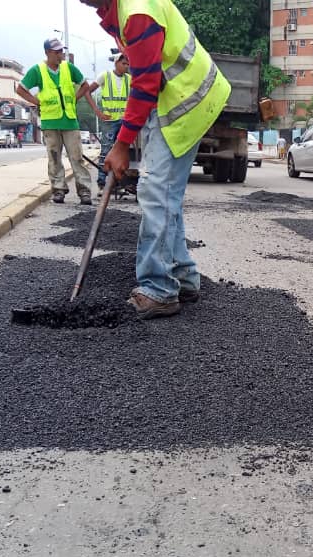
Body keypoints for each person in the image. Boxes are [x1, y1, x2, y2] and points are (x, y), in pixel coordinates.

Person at [79, 0, 231, 319]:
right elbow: (147, 75)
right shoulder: (122, 13)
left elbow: (145, 82)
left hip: (186, 98)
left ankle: (159, 288)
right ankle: (183, 276)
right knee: (167, 194)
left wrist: (120, 145)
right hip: (190, 97)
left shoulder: (136, 13)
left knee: (154, 190)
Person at [15, 38, 95, 205]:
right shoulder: (38, 70)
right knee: (54, 158)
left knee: (77, 157)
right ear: (47, 53)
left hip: (70, 121)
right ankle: (58, 190)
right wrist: (36, 101)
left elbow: (85, 85)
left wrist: (74, 100)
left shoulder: (68, 68)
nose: (60, 54)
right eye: (57, 52)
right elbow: (21, 89)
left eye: (61, 51)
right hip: (50, 122)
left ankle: (84, 191)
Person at [84, 52, 131, 189]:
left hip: (123, 122)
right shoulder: (105, 76)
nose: (126, 66)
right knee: (106, 151)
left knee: (122, 152)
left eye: (128, 64)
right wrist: (97, 111)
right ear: (116, 63)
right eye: (123, 63)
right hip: (109, 122)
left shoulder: (129, 79)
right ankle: (102, 182)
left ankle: (117, 181)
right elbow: (87, 91)